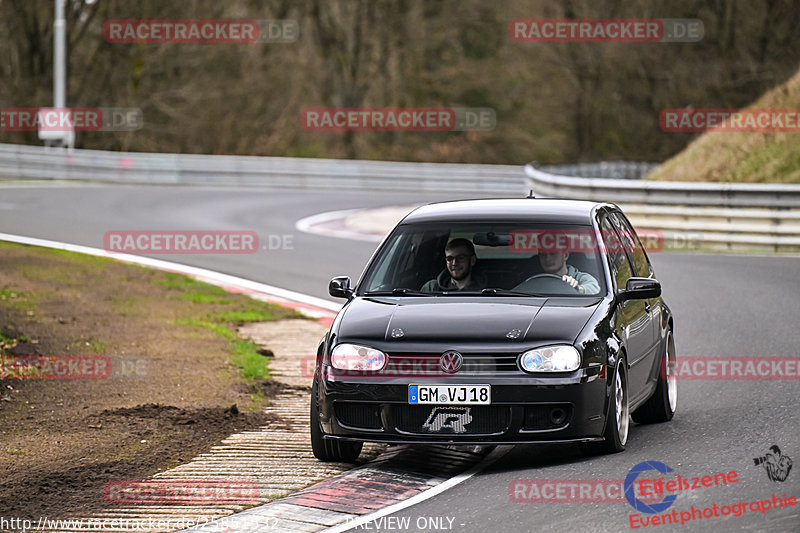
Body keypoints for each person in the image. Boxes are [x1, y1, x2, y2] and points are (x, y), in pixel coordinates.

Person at [421, 238, 486, 292]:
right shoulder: (431, 289)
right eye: (449, 259)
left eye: (460, 258)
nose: (454, 263)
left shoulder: (489, 291)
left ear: (472, 260)